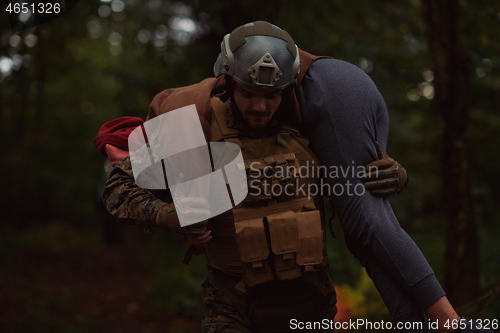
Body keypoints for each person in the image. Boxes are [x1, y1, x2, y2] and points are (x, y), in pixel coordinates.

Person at [101, 21, 490, 332]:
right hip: (232, 307)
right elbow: (117, 187)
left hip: (311, 306)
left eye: (271, 96)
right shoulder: (194, 126)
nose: (259, 106)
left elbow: (353, 190)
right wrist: (170, 216)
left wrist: (393, 174)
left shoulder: (311, 127)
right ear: (229, 83)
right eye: (249, 93)